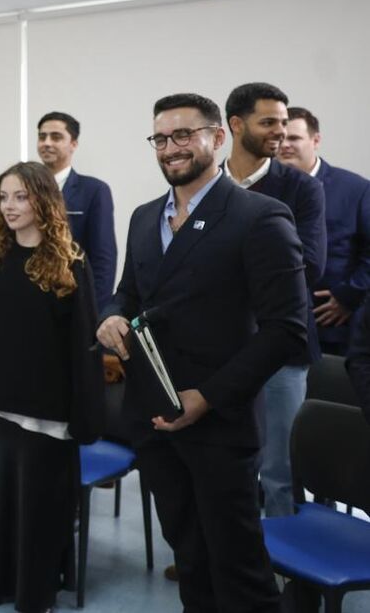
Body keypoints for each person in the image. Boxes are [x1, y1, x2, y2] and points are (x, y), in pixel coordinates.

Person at [97, 93, 307, 613]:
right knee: (189, 560)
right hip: (153, 417)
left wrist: (208, 397)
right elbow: (129, 292)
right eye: (161, 138)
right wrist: (110, 315)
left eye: (184, 135)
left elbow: (287, 331)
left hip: (218, 425)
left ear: (218, 137)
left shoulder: (259, 217)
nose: (171, 148)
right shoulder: (146, 218)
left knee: (240, 574)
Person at [0, 162, 103, 613]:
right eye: (3, 197)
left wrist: (86, 416)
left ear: (42, 200)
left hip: (49, 413)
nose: (10, 206)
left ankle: (35, 596)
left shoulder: (70, 265)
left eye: (20, 196)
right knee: (2, 505)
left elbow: (85, 348)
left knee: (41, 512)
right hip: (1, 406)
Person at [223, 82, 326, 518]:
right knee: (225, 464)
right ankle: (226, 557)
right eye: (269, 122)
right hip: (222, 347)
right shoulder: (207, 184)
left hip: (282, 348)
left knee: (279, 472)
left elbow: (309, 265)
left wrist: (225, 272)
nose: (280, 133)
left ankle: (282, 578)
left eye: (284, 123)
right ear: (236, 125)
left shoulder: (301, 190)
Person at [279, 106, 370, 356]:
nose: (285, 145)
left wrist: (349, 295)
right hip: (274, 324)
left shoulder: (356, 189)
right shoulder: (261, 188)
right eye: (280, 138)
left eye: (294, 138)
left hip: (333, 324)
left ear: (315, 140)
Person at [36, 112, 117, 310]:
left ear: (73, 144)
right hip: (31, 300)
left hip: (73, 300)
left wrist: (94, 312)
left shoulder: (94, 190)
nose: (47, 143)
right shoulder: (25, 190)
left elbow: (103, 258)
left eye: (56, 137)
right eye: (42, 136)